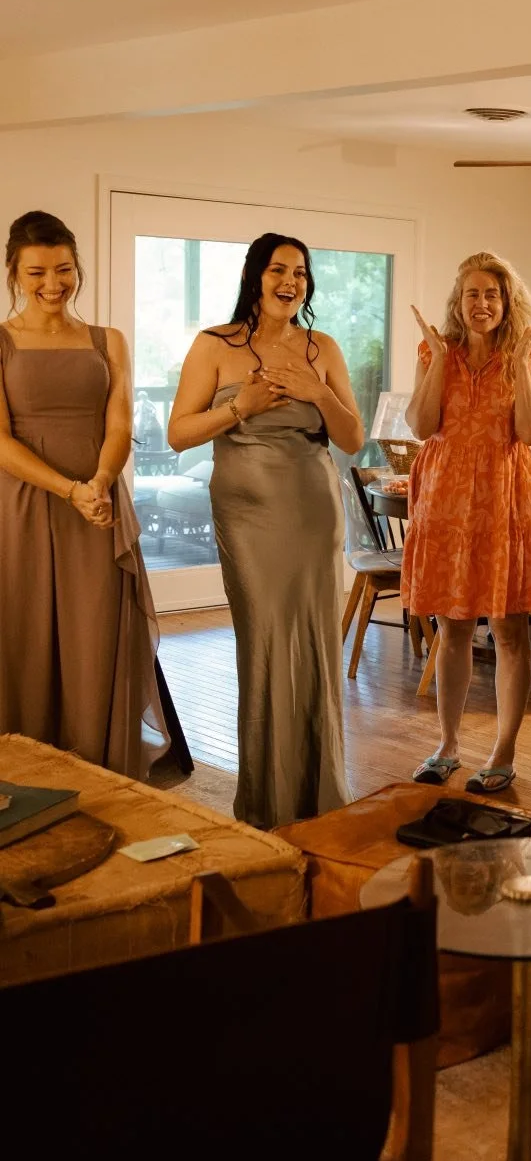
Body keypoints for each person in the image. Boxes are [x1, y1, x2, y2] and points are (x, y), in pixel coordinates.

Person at [169, 233, 364, 827]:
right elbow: (179, 433)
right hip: (248, 510)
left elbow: (353, 439)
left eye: (301, 273)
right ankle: (266, 800)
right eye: (279, 270)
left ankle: (320, 793)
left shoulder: (322, 348)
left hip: (313, 505)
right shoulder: (214, 346)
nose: (291, 282)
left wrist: (318, 392)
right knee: (264, 641)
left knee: (314, 642)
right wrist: (241, 406)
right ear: (256, 277)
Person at [0, 210, 165, 777]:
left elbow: (118, 426)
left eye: (64, 269)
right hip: (21, 505)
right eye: (37, 272)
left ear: (78, 269)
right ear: (14, 274)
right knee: (25, 633)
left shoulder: (106, 340)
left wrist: (96, 486)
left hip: (97, 506)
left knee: (94, 634)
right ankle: (29, 773)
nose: (53, 284)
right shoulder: (0, 342)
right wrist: (69, 489)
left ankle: (99, 771)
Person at [402, 251, 531, 792]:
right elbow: (423, 426)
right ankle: (446, 745)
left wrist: (519, 367)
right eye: (472, 294)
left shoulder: (530, 358)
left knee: (510, 631)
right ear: (459, 301)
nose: (482, 303)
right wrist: (441, 363)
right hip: (446, 502)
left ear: (506, 301)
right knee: (453, 628)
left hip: (504, 499)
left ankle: (504, 751)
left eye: (492, 294)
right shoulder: (433, 352)